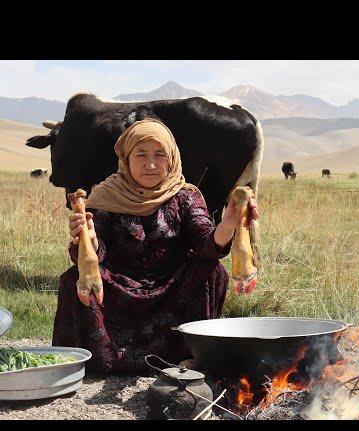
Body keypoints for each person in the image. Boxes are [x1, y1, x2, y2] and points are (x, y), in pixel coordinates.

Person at [53, 118, 258, 374]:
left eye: (159, 154)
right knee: (73, 278)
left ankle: (194, 355)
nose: (150, 164)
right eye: (140, 154)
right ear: (126, 158)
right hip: (118, 288)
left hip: (172, 288)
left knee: (212, 271)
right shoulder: (105, 196)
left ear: (171, 157)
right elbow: (91, 259)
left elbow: (206, 244)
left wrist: (228, 224)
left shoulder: (186, 196)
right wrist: (90, 241)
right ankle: (99, 360)